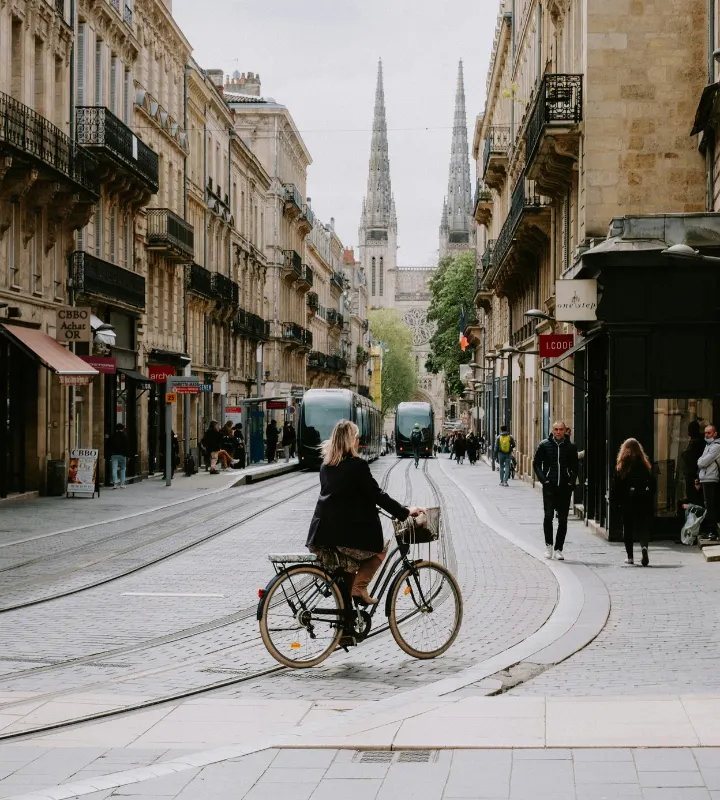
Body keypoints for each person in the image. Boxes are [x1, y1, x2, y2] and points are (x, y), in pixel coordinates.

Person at [306, 420, 422, 606]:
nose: (358, 441)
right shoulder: (356, 465)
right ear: (350, 441)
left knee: (348, 569)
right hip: (342, 536)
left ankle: (347, 626)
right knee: (379, 549)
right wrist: (405, 511)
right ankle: (359, 588)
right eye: (356, 437)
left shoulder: (326, 466)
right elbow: (377, 495)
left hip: (322, 534)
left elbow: (341, 496)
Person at [533, 421, 579, 560]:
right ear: (552, 430)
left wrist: (571, 482)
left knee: (563, 520)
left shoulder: (571, 447)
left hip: (565, 488)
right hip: (550, 487)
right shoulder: (544, 445)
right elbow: (536, 463)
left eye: (561, 429)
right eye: (556, 429)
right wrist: (544, 480)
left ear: (565, 431)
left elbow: (575, 466)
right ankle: (549, 546)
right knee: (548, 517)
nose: (558, 432)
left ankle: (559, 548)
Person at [611, 438, 656, 566]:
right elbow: (652, 483)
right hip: (642, 500)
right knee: (642, 526)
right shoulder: (644, 464)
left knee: (628, 527)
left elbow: (616, 486)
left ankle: (630, 557)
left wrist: (616, 502)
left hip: (627, 501)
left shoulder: (621, 465)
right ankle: (644, 547)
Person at [697, 424, 720, 541]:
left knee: (710, 505)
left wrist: (701, 461)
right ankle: (710, 530)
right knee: (708, 505)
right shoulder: (708, 445)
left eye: (709, 433)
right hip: (706, 478)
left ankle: (713, 531)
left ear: (715, 434)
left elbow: (702, 462)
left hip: (711, 478)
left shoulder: (716, 446)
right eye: (705, 433)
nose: (706, 435)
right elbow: (701, 461)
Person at [682, 421, 707, 500]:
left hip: (694, 474)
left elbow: (691, 457)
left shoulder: (697, 442)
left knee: (694, 497)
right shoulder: (696, 441)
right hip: (692, 473)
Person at [108, 423, 130, 489]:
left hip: (114, 455)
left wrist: (109, 454)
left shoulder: (113, 436)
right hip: (122, 455)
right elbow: (127, 446)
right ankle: (122, 484)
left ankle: (115, 483)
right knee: (123, 469)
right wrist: (128, 455)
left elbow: (109, 445)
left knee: (114, 469)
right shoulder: (124, 436)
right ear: (123, 429)